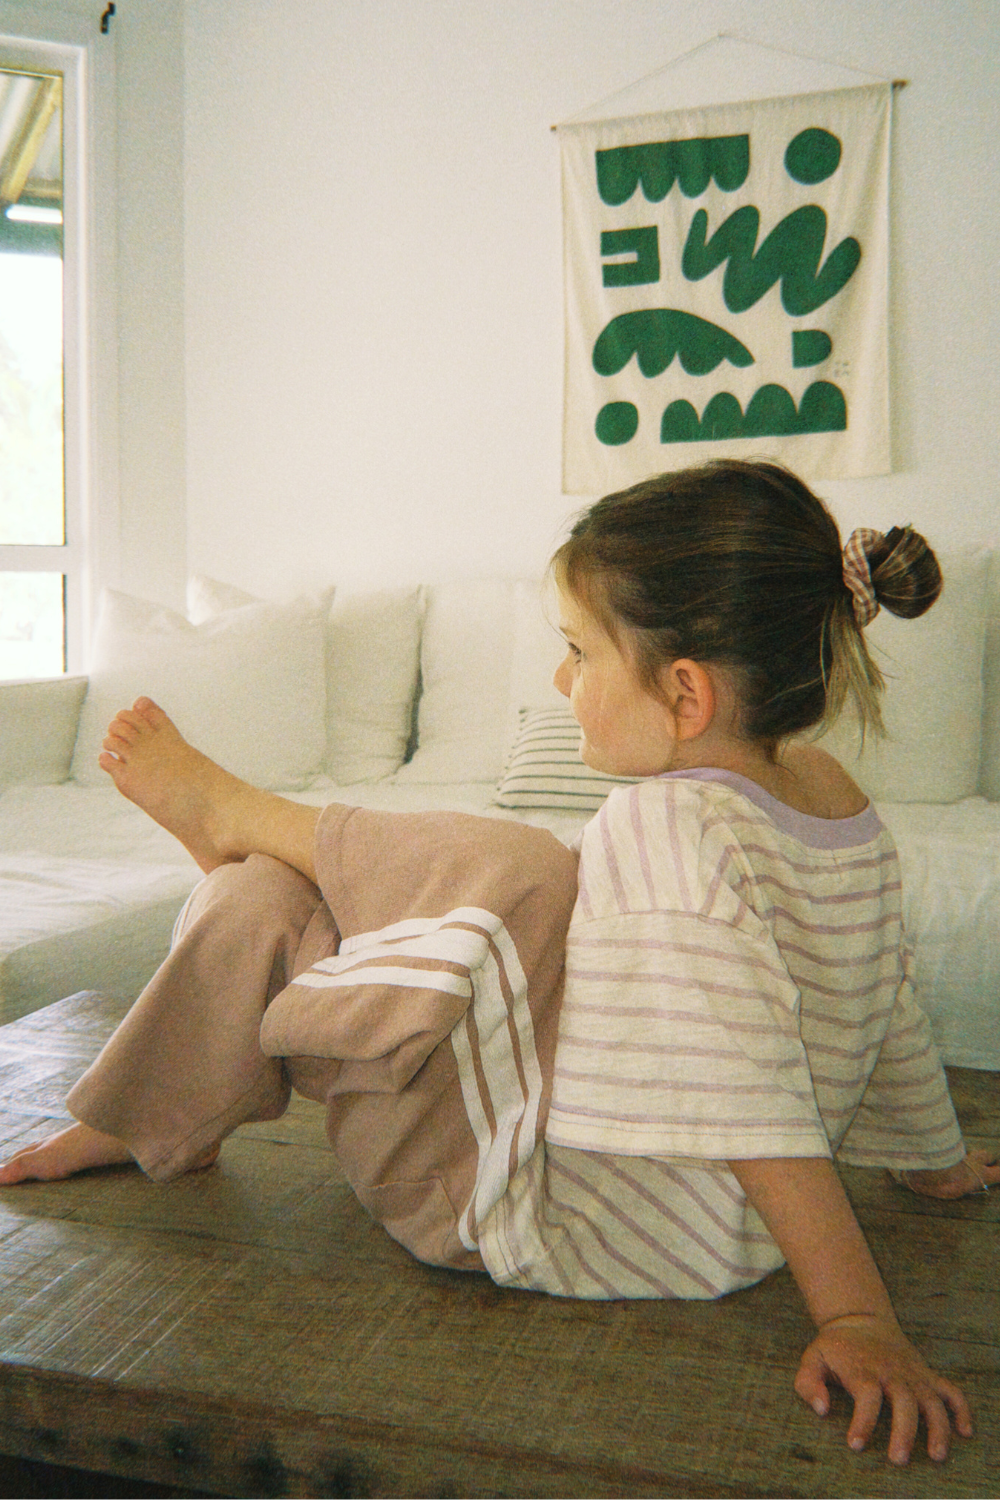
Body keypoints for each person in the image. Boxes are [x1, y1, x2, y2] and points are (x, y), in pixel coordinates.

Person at [0, 459, 995, 1466]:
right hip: (688, 1215)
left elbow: (749, 1081)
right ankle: (220, 930)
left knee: (355, 887)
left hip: (523, 1210)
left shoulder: (666, 828)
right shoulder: (829, 794)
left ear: (683, 693)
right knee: (492, 877)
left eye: (576, 653)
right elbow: (884, 991)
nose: (562, 681)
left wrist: (857, 1317)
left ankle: (232, 872)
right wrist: (933, 1160)